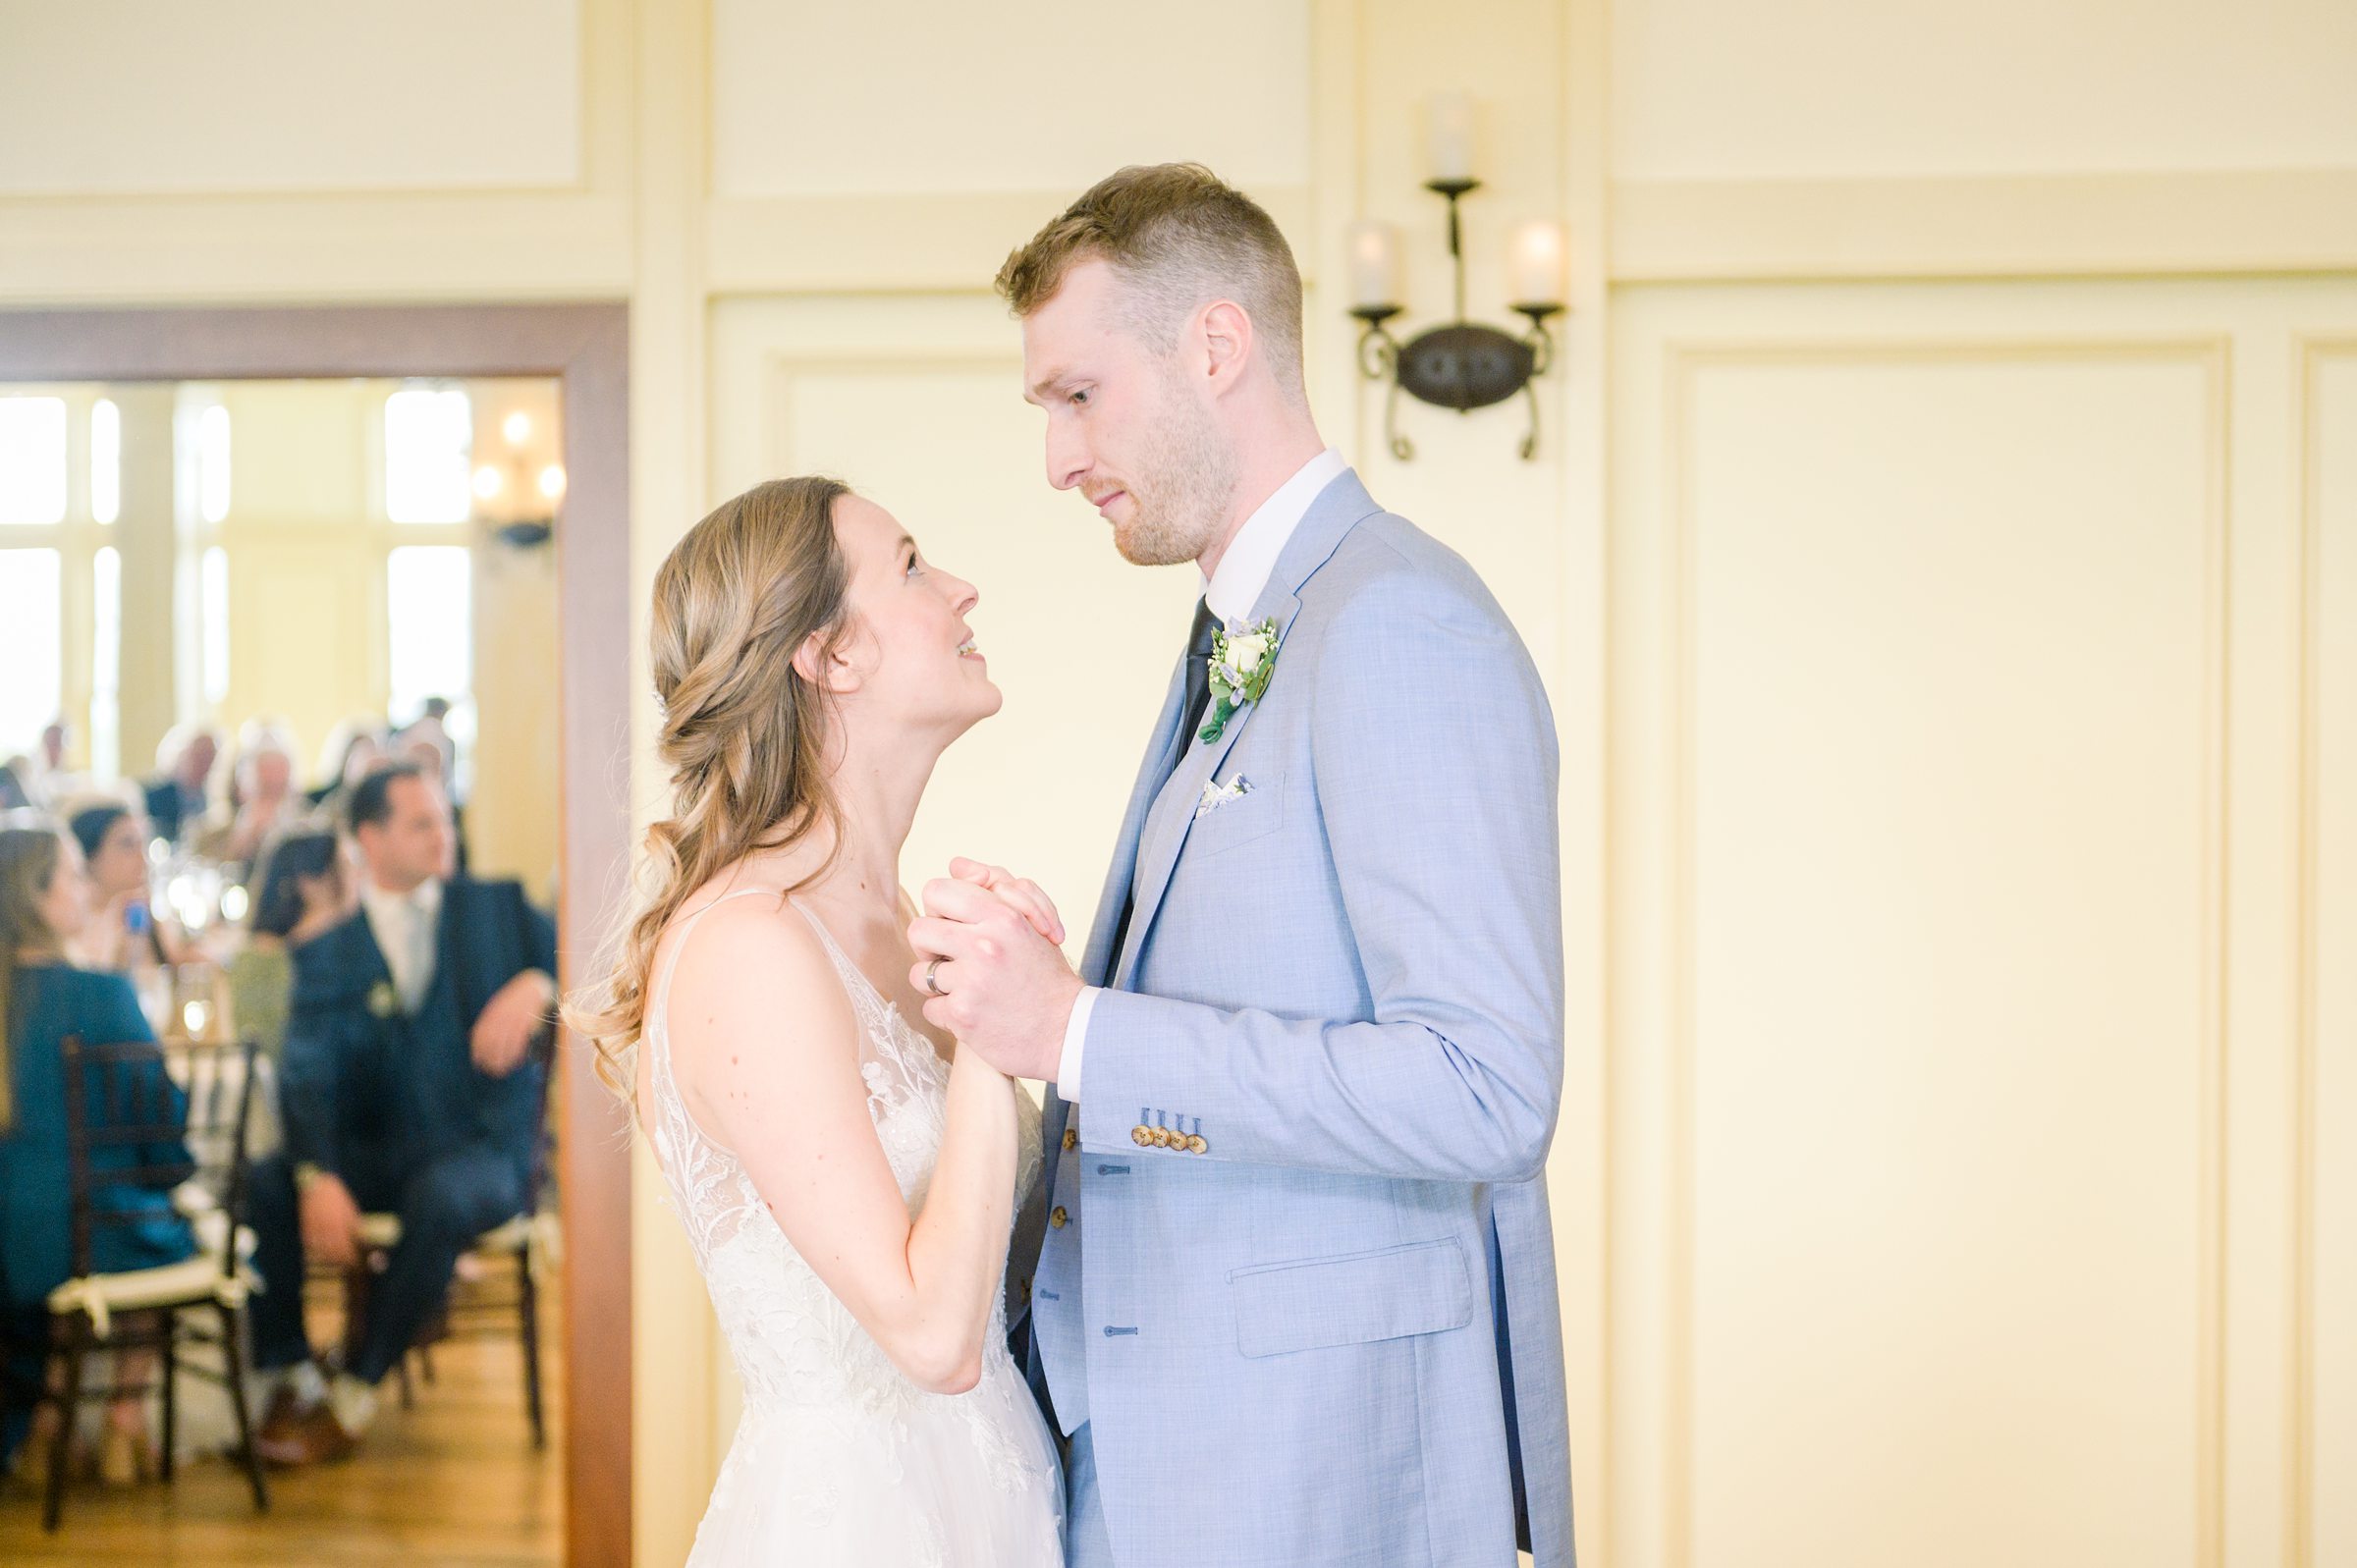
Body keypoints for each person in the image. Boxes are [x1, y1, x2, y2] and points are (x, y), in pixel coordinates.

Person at [904, 164, 1574, 1568]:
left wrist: (1076, 1029)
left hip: (1324, 1477)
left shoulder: (1396, 624)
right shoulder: (1244, 626)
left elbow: (1486, 1087)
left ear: (1215, 347)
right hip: (1175, 1458)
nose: (1058, 460)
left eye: (1077, 396)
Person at [565, 478, 1063, 1564]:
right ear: (828, 656)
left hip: (997, 1494)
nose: (962, 589)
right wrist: (993, 1031)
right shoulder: (751, 947)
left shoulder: (896, 924)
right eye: (916, 565)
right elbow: (932, 1335)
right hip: (866, 1521)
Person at [245, 763, 557, 1464]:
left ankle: (357, 1389)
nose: (442, 835)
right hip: (380, 1151)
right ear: (369, 837)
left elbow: (599, 961)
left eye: (445, 818)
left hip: (480, 1150)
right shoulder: (331, 946)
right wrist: (318, 1172)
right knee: (267, 1179)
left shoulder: (498, 910)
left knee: (442, 1195)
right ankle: (292, 1369)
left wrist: (539, 982)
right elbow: (305, 1070)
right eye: (421, 823)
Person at [0, 820, 198, 1485]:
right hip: (83, 1234)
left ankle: (48, 1427)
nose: (86, 885)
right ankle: (123, 1417)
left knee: (77, 1219)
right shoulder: (100, 994)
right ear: (38, 896)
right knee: (154, 1217)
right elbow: (163, 1128)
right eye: (73, 873)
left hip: (12, 1243)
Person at [227, 827, 354, 1065]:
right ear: (311, 883)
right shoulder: (262, 958)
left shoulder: (345, 947)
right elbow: (267, 1049)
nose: (359, 877)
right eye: (346, 867)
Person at [67, 800, 192, 977]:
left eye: (143, 844)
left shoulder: (139, 910)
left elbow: (179, 965)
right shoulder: (71, 924)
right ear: (88, 856)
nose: (142, 858)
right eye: (127, 844)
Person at [141, 728, 218, 847]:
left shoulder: (213, 798)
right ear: (182, 755)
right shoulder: (154, 796)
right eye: (199, 756)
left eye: (209, 758)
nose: (204, 765)